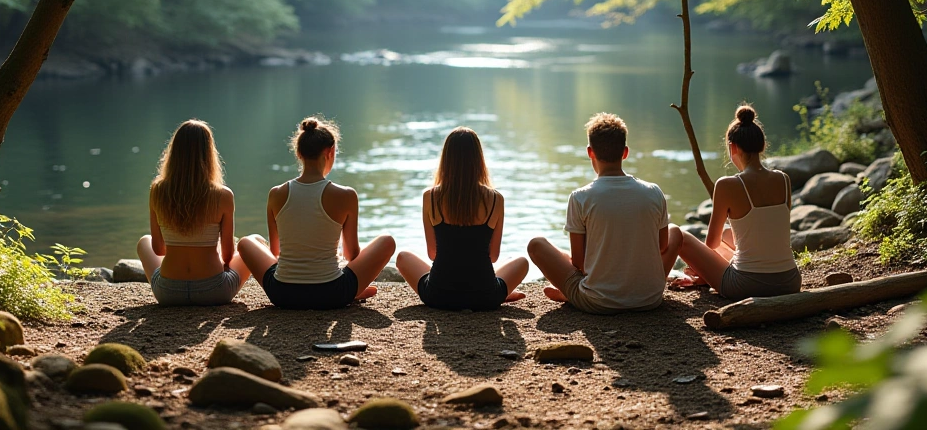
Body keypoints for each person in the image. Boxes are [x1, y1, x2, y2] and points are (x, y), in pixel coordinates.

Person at [527, 113, 679, 314]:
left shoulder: (580, 197)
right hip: (650, 299)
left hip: (599, 303)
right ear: (625, 152)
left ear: (590, 152)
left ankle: (570, 294)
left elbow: (579, 263)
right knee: (675, 231)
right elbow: (661, 246)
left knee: (536, 245)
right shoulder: (654, 192)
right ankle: (645, 286)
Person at [237, 117, 396, 309]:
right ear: (330, 152)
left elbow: (275, 253)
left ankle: (351, 292)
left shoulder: (276, 194)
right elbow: (351, 254)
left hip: (282, 294)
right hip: (333, 294)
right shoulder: (346, 195)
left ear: (298, 153)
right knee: (387, 241)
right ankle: (354, 292)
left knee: (246, 242)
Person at [668, 105, 801, 300]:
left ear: (733, 147)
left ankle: (678, 281)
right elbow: (770, 229)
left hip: (745, 286)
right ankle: (706, 277)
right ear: (761, 146)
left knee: (681, 236)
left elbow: (711, 243)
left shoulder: (727, 185)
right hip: (790, 281)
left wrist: (704, 269)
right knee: (727, 235)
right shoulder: (784, 179)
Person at [394, 127, 530, 310]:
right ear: (479, 160)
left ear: (446, 159)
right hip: (485, 297)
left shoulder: (431, 197)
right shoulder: (496, 199)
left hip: (438, 295)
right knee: (521, 262)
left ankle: (490, 289)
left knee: (403, 257)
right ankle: (500, 290)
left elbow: (432, 254)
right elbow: (494, 256)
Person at [136, 120, 249, 306]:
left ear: (174, 153)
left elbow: (159, 249)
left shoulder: (157, 190)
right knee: (255, 242)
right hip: (214, 292)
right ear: (209, 153)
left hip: (168, 292)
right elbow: (228, 256)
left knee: (144, 242)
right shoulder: (223, 195)